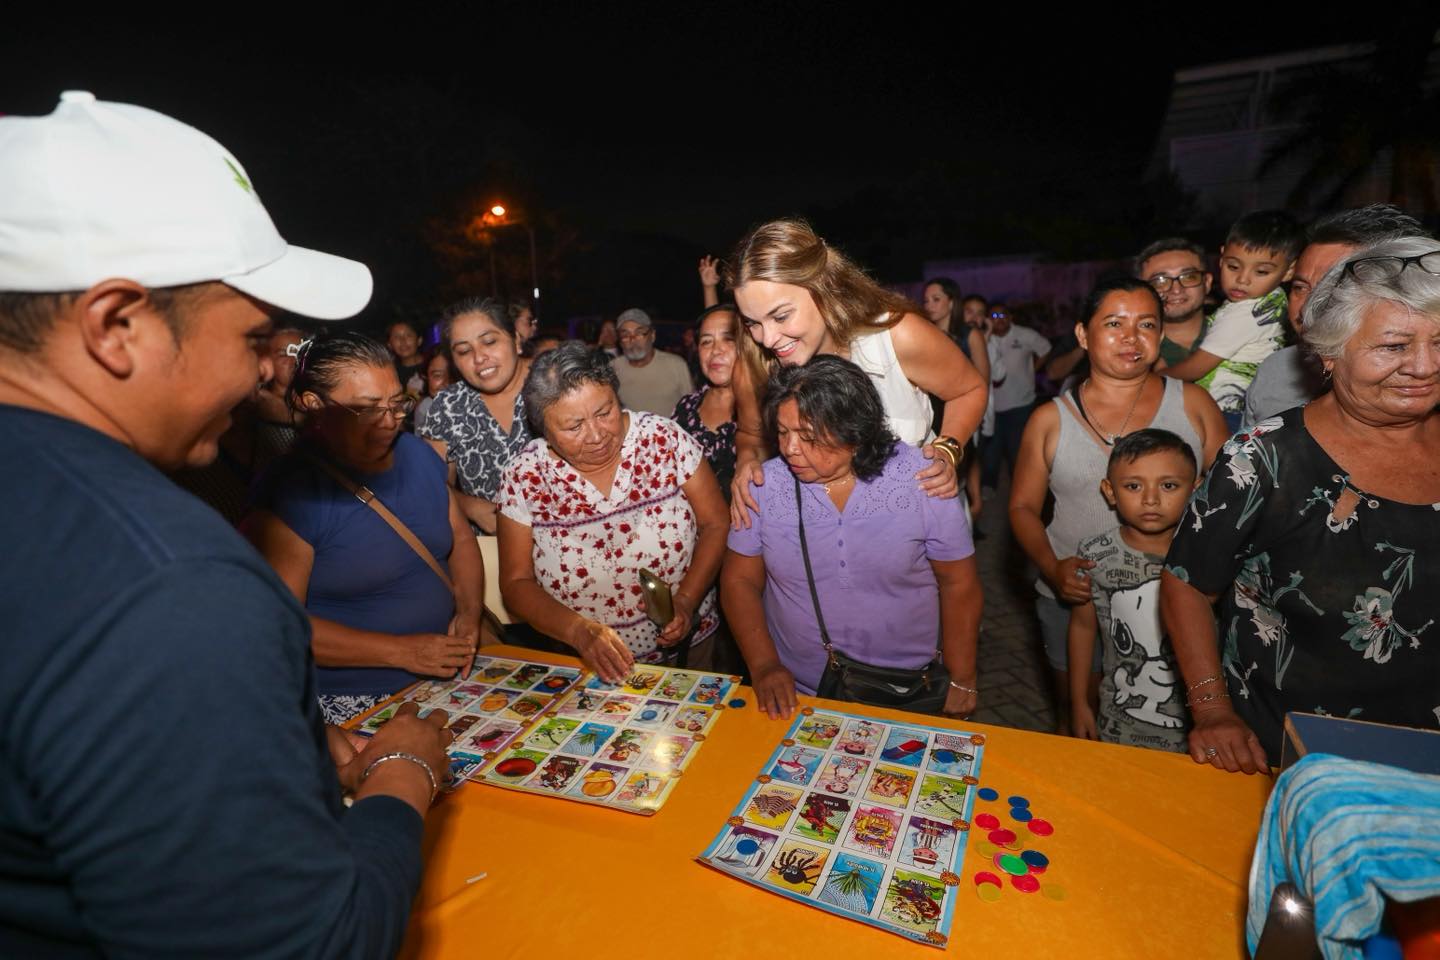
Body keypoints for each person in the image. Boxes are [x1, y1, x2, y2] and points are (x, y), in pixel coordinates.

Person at [0, 91, 451, 956]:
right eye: (252, 340)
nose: (261, 382)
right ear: (117, 325)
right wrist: (407, 774)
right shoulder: (173, 585)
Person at [1162, 236, 1440, 773]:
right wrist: (1213, 708)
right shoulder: (1263, 459)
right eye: (1394, 346)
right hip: (1301, 757)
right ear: (1329, 352)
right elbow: (1187, 580)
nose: (1425, 367)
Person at [1011, 278, 1225, 735]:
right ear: (1084, 335)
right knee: (1080, 718)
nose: (1132, 337)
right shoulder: (1049, 419)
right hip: (1076, 601)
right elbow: (1022, 509)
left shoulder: (1194, 404)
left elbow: (1230, 504)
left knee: (1173, 716)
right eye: (1114, 324)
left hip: (1175, 599)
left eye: (1147, 324)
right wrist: (1053, 569)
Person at [243, 330, 485, 723]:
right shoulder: (293, 490)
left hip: (443, 679)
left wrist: (469, 612)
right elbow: (280, 624)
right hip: (352, 699)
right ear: (314, 404)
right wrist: (401, 651)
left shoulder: (418, 455)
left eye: (396, 404)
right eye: (369, 408)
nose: (389, 421)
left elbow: (458, 538)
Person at [722, 356, 982, 719]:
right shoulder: (764, 487)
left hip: (908, 690)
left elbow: (959, 584)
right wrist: (764, 664)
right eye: (782, 432)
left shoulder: (923, 480)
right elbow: (738, 580)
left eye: (809, 436)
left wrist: (962, 677)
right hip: (800, 694)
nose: (790, 449)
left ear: (855, 432)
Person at [725, 219, 986, 526]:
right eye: (752, 322)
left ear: (824, 287)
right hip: (824, 540)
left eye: (780, 316)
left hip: (920, 528)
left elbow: (970, 389)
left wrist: (947, 449)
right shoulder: (756, 359)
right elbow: (750, 434)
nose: (766, 339)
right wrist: (746, 461)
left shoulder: (896, 336)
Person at [496, 342, 728, 679]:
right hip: (583, 662)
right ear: (543, 431)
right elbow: (516, 582)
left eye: (605, 412)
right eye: (574, 427)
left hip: (687, 652)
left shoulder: (663, 439)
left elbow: (716, 523)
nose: (596, 435)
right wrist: (577, 631)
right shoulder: (525, 475)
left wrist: (687, 601)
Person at [1068, 430, 1200, 752]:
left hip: (1202, 728)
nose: (1151, 499)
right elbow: (1083, 628)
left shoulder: (1207, 555)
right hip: (1119, 723)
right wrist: (1078, 703)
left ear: (1196, 490)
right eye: (1133, 486)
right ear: (1110, 492)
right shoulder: (1095, 555)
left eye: (1168, 485)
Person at [1242, 204, 1430, 430]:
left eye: (1332, 288)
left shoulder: (1426, 374)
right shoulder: (1276, 371)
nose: (1305, 309)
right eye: (1300, 287)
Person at [1159, 210, 1305, 431]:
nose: (1242, 279)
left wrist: (1152, 377)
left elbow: (1195, 369)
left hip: (1229, 413)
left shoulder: (1246, 312)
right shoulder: (1273, 301)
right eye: (1233, 266)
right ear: (1221, 257)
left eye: (1262, 271)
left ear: (1288, 271)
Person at [170, 324, 307, 523]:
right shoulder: (189, 453)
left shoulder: (282, 434)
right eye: (281, 353)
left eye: (299, 351)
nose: (292, 360)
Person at [419, 297, 532, 534]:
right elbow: (430, 482)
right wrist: (469, 506)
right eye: (463, 351)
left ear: (517, 340)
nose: (479, 358)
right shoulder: (448, 406)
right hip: (489, 553)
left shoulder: (557, 386)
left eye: (489, 341)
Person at [922, 277, 989, 515]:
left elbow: (982, 379)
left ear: (952, 302)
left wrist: (975, 414)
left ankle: (973, 503)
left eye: (936, 299)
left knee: (965, 458)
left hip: (962, 410)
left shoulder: (969, 335)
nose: (929, 305)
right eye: (926, 300)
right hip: (931, 411)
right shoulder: (922, 334)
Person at [673, 303, 740, 498]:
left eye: (729, 339)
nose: (716, 350)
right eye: (706, 341)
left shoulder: (770, 412)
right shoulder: (686, 408)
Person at [981, 302, 1051, 490]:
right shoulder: (982, 339)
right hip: (991, 409)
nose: (999, 320)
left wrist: (1033, 370)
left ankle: (1020, 490)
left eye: (1003, 315)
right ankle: (988, 488)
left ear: (1010, 317)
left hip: (1020, 405)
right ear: (988, 320)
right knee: (990, 453)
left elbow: (1045, 349)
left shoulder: (1025, 334)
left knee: (1017, 452)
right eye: (994, 316)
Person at [1136, 238, 1213, 365]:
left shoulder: (1240, 333)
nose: (1176, 290)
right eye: (1160, 281)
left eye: (1189, 277)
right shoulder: (1133, 350)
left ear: (1207, 283)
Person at [610, 307, 694, 415]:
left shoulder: (676, 365)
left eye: (639, 333)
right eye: (625, 335)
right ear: (620, 342)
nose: (632, 340)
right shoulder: (612, 369)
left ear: (653, 335)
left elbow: (692, 408)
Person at [412, 349, 453, 434]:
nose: (446, 382)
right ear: (425, 377)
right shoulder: (425, 408)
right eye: (437, 375)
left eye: (453, 375)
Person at [386, 319, 427, 396]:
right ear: (390, 345)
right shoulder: (389, 374)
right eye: (396, 337)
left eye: (408, 335)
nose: (403, 341)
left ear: (419, 340)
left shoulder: (431, 366)